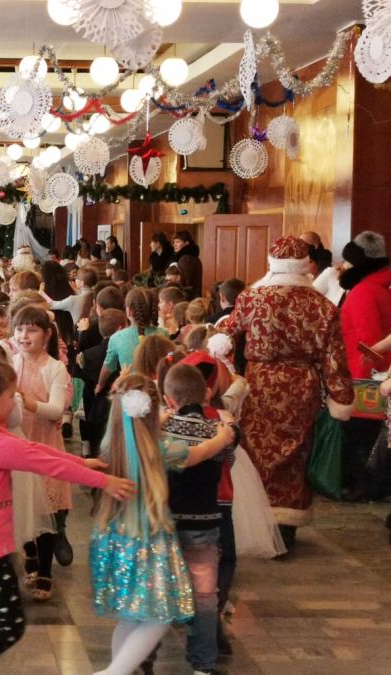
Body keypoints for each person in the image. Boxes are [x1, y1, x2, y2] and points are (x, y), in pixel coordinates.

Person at [0, 355, 134, 675]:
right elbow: (47, 464)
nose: (15, 403)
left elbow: (37, 451)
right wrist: (104, 482)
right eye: (10, 397)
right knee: (9, 624)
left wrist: (82, 462)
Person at [90, 374, 235, 675]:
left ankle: (118, 670)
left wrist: (159, 417)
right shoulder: (161, 448)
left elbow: (136, 430)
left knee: (130, 616)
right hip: (149, 540)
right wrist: (223, 436)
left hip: (116, 536)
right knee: (159, 616)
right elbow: (201, 453)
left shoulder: (109, 445)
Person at [221, 236, 354, 547]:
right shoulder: (321, 305)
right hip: (301, 388)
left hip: (259, 386)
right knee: (295, 454)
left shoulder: (251, 298)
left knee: (257, 451)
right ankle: (286, 528)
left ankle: (256, 520)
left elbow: (224, 336)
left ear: (272, 265)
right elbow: (334, 358)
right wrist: (341, 397)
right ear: (305, 266)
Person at [161, 363, 240, 675]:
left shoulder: (163, 429)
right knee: (205, 597)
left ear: (168, 399)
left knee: (159, 587)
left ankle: (144, 654)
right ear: (206, 395)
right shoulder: (216, 432)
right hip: (204, 522)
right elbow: (229, 459)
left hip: (166, 522)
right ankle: (203, 665)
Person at [11, 306, 71, 602]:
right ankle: (29, 553)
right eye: (20, 329)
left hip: (45, 444)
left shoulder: (54, 368)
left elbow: (56, 409)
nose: (24, 335)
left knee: (46, 508)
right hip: (16, 445)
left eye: (32, 330)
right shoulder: (10, 364)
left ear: (47, 335)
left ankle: (45, 569)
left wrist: (26, 401)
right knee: (21, 505)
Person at [338, 231, 391, 500]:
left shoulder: (363, 292)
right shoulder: (379, 286)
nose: (343, 266)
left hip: (365, 375)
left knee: (361, 435)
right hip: (377, 372)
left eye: (347, 261)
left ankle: (362, 486)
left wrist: (362, 380)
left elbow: (369, 343)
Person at [96, 289, 167, 393]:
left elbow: (108, 367)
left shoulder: (117, 337)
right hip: (157, 390)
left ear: (128, 311)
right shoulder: (164, 333)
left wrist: (100, 384)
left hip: (130, 391)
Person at [79, 309, 127, 458]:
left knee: (97, 451)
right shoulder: (125, 351)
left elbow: (85, 381)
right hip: (118, 406)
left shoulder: (88, 355)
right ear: (120, 328)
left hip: (96, 408)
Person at [172, 231, 202, 299]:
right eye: (174, 242)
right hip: (194, 296)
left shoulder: (185, 259)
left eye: (178, 242)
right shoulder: (193, 257)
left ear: (186, 243)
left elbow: (185, 284)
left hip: (188, 298)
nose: (174, 245)